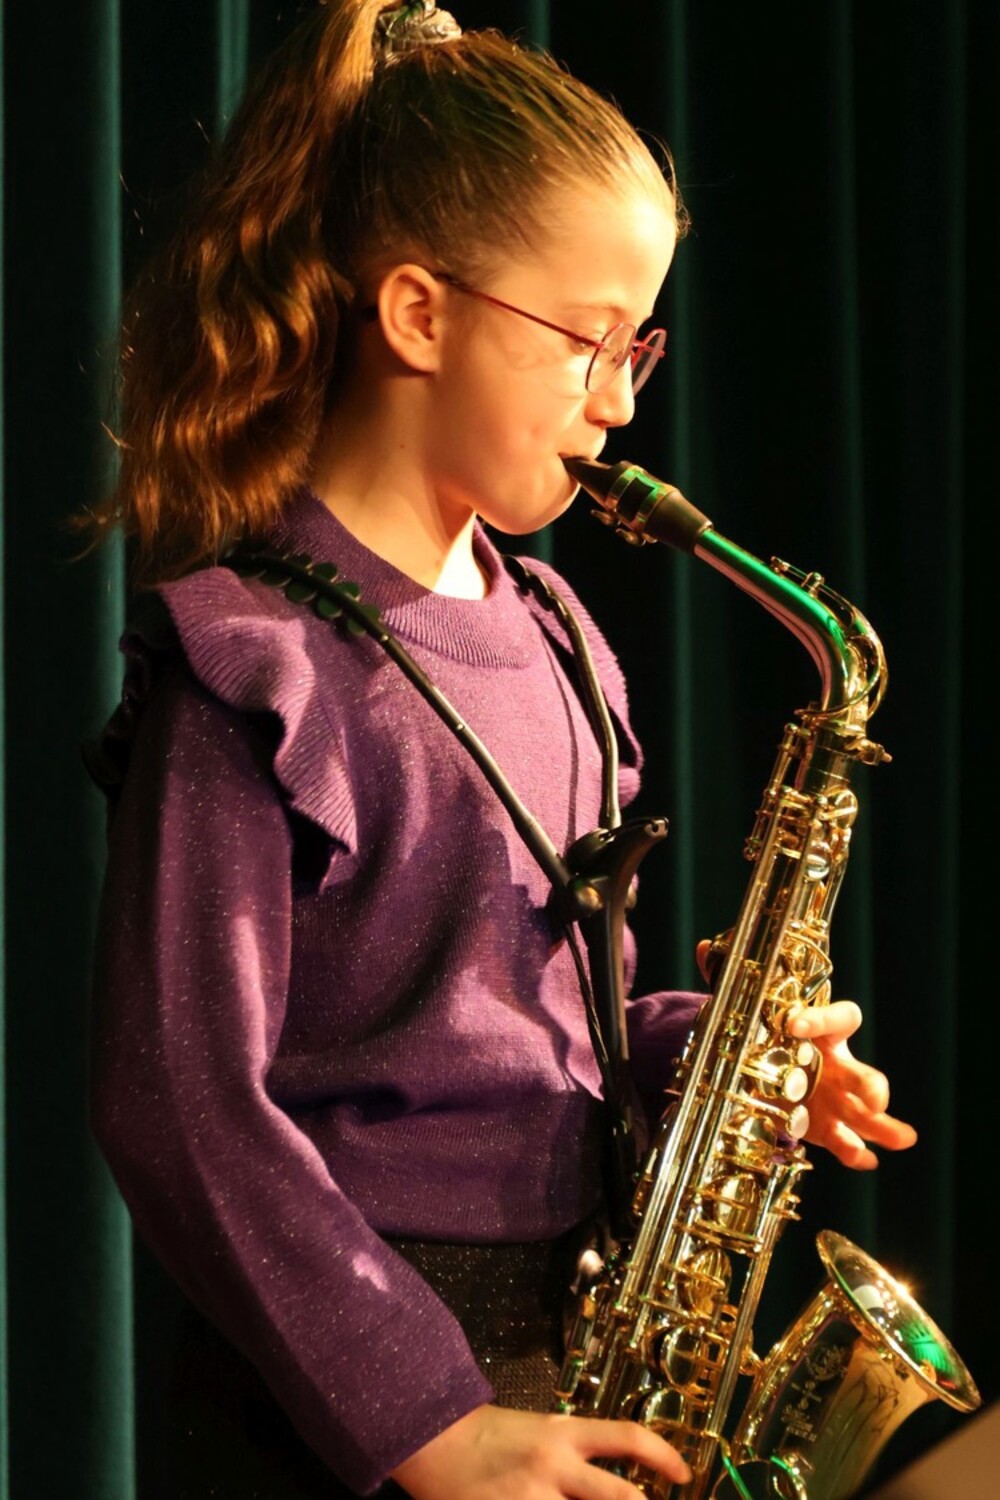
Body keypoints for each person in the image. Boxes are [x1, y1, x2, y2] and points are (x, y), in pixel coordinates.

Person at [83, 3, 918, 1496]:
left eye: (638, 346)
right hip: (349, 1402)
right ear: (418, 314)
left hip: (560, 1356)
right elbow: (179, 1100)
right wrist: (428, 1424)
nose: (622, 401)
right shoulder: (255, 663)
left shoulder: (561, 638)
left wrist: (715, 1066)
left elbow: (535, 1026)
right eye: (586, 342)